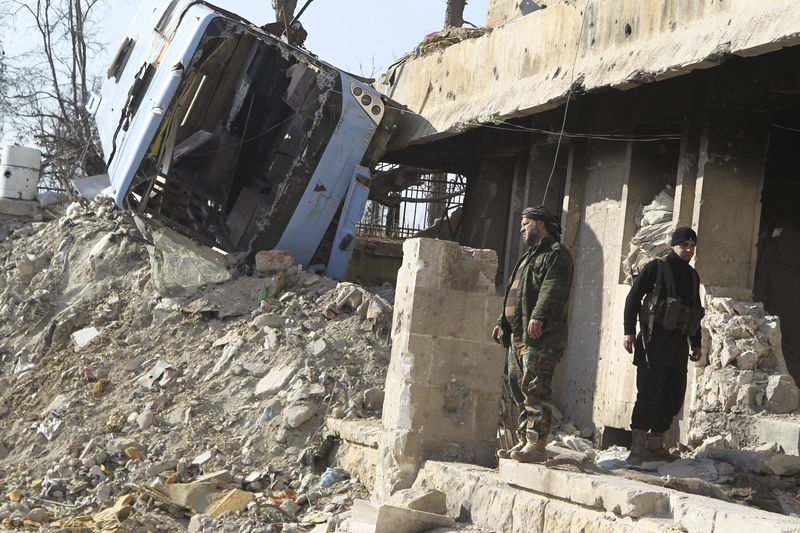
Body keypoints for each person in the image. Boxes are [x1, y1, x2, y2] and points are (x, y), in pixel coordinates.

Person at [492, 206, 573, 463]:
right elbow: (514, 293)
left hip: (540, 336)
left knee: (535, 387)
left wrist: (539, 316)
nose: (522, 228)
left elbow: (553, 288)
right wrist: (502, 323)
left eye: (526, 223)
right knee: (518, 389)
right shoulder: (527, 258)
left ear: (541, 224)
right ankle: (524, 441)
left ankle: (536, 444)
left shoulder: (555, 255)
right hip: (518, 336)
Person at [622, 226, 704, 465]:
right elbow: (633, 298)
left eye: (692, 245)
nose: (688, 250)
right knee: (648, 395)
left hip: (678, 346)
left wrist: (695, 343)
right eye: (684, 245)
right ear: (673, 245)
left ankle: (656, 445)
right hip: (653, 343)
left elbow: (694, 312)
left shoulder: (691, 276)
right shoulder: (656, 268)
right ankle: (637, 448)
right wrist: (629, 331)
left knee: (673, 396)